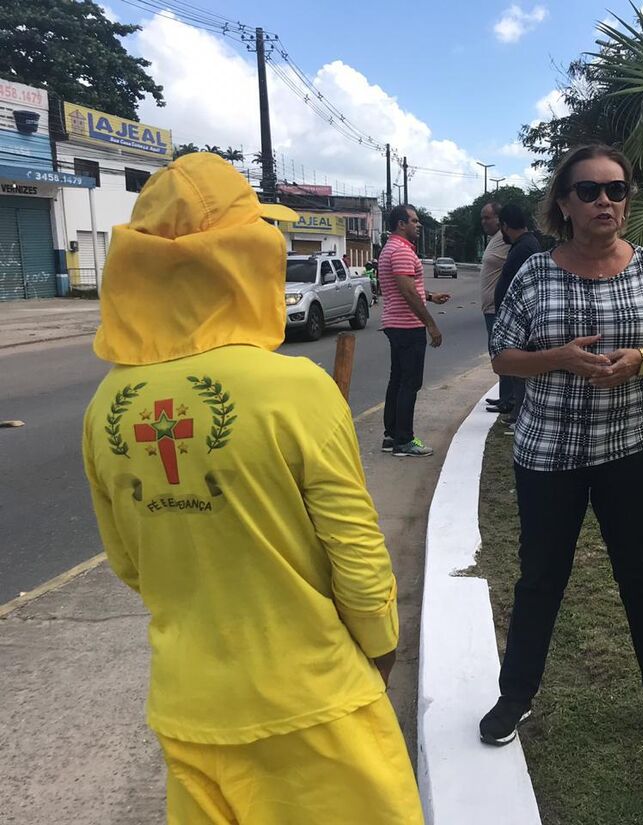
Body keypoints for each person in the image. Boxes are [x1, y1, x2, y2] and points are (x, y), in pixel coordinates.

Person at [81, 153, 423, 825]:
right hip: (313, 704)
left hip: (189, 709)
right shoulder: (294, 388)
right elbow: (356, 558)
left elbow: (129, 562)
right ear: (239, 253)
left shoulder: (106, 406)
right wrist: (380, 648)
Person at [481, 144, 643, 752]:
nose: (604, 200)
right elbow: (502, 355)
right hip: (549, 452)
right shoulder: (533, 271)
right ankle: (516, 696)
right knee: (540, 578)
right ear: (564, 202)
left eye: (616, 189)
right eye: (588, 190)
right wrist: (556, 359)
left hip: (633, 449)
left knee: (642, 576)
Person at [378, 204, 450, 457]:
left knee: (397, 381)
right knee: (410, 383)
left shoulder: (394, 249)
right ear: (401, 224)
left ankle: (392, 436)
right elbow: (407, 291)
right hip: (407, 326)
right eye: (414, 221)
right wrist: (431, 324)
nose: (418, 225)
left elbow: (409, 288)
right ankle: (404, 441)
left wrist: (430, 295)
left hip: (396, 324)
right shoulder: (400, 251)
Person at [492, 203, 542, 431]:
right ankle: (516, 414)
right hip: (515, 322)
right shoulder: (523, 245)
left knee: (521, 373)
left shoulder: (525, 248)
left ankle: (519, 416)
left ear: (504, 225)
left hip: (522, 324)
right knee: (517, 374)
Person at [477, 202, 512, 412]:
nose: (484, 222)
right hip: (489, 308)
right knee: (495, 352)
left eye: (487, 217)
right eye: (482, 218)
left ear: (499, 219)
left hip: (498, 308)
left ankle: (509, 399)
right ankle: (503, 395)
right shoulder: (493, 240)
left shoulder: (505, 240)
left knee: (501, 353)